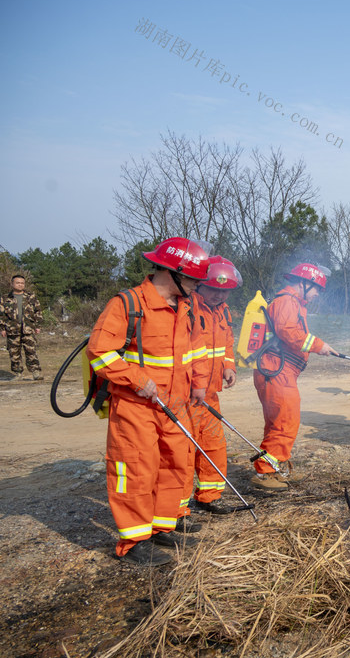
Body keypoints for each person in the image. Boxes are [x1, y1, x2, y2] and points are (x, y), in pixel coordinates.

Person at [87, 237, 211, 566]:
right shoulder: (128, 304)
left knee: (174, 464)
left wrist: (199, 383)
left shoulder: (187, 308)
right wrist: (138, 379)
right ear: (172, 272)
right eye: (193, 281)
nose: (197, 287)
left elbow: (196, 350)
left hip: (176, 404)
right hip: (135, 406)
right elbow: (100, 353)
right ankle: (135, 540)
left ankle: (160, 527)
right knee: (136, 468)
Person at [253, 263, 338, 490]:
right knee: (285, 422)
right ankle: (265, 473)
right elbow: (289, 332)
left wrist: (319, 347)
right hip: (277, 370)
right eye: (316, 288)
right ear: (304, 283)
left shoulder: (292, 303)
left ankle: (272, 468)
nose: (317, 294)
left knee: (277, 422)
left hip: (278, 370)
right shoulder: (287, 302)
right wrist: (319, 345)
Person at [187, 257, 242, 514]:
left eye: (225, 291)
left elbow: (227, 341)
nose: (219, 296)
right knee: (184, 450)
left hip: (209, 394)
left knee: (214, 444)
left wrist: (229, 366)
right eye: (214, 289)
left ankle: (209, 496)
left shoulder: (224, 311)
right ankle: (174, 510)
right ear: (199, 285)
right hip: (184, 395)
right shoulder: (186, 308)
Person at [1, 274, 44, 380]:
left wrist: (37, 325)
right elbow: (1, 315)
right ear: (12, 284)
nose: (20, 285)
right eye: (17, 283)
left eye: (22, 283)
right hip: (12, 330)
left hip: (28, 329)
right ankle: (17, 373)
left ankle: (36, 372)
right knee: (14, 353)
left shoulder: (31, 297)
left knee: (31, 351)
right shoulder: (5, 298)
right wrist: (2, 328)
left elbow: (38, 311)